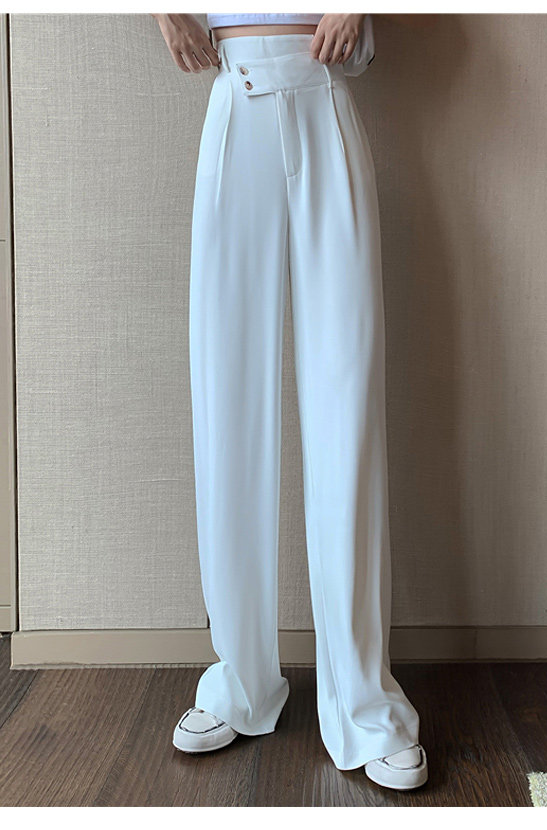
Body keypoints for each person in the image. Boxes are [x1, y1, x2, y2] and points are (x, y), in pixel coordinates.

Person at [151, 13, 428, 791]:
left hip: (323, 94)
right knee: (226, 391)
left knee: (347, 392)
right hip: (232, 98)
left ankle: (364, 703)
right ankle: (239, 680)